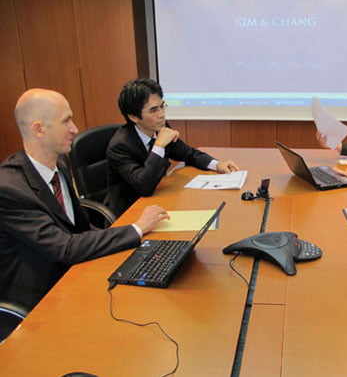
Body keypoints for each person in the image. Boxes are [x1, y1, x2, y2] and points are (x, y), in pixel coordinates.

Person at [0, 89, 170, 310]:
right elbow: (64, 248)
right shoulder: (8, 189)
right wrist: (136, 229)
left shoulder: (60, 164)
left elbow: (79, 230)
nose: (75, 129)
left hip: (74, 271)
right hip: (40, 296)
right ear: (38, 129)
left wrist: (140, 247)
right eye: (66, 121)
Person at [105, 78, 239, 216]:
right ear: (133, 117)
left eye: (162, 106)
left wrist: (217, 164)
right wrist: (159, 146)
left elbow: (189, 154)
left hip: (157, 200)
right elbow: (144, 186)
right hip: (130, 211)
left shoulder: (159, 128)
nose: (161, 114)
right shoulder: (120, 146)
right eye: (153, 110)